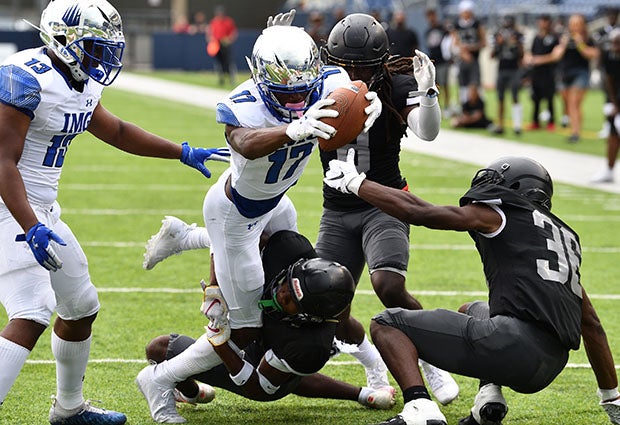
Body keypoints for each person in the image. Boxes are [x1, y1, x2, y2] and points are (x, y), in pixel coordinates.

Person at [135, 23, 382, 423]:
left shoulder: (330, 79)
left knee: (305, 287)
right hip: (236, 214)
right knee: (244, 332)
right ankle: (160, 379)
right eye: (288, 94)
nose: (300, 100)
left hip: (277, 203)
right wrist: (290, 129)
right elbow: (243, 141)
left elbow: (356, 91)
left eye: (305, 91)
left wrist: (372, 105)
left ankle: (184, 237)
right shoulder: (244, 102)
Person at [0, 0, 228, 424]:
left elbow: (116, 130)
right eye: (94, 45)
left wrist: (181, 151)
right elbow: (2, 163)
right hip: (8, 207)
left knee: (80, 306)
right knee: (31, 311)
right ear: (63, 40)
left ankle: (69, 409)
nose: (104, 56)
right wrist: (30, 225)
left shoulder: (79, 80)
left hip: (40, 210)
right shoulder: (24, 77)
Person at [323, 152, 620, 425]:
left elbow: (420, 212)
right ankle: (488, 399)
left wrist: (357, 184)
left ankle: (420, 407)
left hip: (514, 344)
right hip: (550, 364)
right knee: (472, 310)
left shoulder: (502, 214)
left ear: (515, 189)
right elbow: (591, 325)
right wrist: (611, 396)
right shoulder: (562, 238)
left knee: (387, 323)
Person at [316, 12, 459, 405]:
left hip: (384, 202)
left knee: (388, 285)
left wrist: (429, 95)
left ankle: (433, 362)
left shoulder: (396, 85)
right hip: (337, 207)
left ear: (380, 61)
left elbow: (427, 132)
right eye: (346, 64)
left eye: (361, 65)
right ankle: (373, 366)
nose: (353, 72)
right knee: (326, 300)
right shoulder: (321, 84)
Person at [143, 230, 395, 417]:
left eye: (290, 300)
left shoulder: (309, 344)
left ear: (308, 316)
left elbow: (258, 387)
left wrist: (218, 340)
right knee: (158, 349)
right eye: (287, 284)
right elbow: (235, 235)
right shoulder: (289, 250)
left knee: (284, 374)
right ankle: (191, 393)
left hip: (266, 372)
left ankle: (359, 393)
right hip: (267, 345)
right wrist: (214, 286)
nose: (280, 293)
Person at [531, 14, 599, 143]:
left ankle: (575, 133)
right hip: (564, 73)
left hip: (580, 72)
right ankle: (571, 125)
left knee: (574, 103)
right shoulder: (563, 37)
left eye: (577, 24)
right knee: (567, 103)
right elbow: (556, 56)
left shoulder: (588, 38)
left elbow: (593, 54)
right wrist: (563, 44)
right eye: (572, 24)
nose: (574, 27)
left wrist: (580, 44)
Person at [591, 28, 620, 184]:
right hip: (618, 100)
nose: (615, 47)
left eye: (618, 44)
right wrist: (614, 103)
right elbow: (610, 80)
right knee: (613, 135)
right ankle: (608, 170)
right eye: (613, 43)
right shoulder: (610, 56)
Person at [490, 16, 524, 135]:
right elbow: (492, 55)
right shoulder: (497, 35)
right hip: (502, 68)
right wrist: (498, 44)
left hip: (514, 69)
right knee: (500, 98)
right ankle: (500, 125)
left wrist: (515, 43)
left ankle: (517, 126)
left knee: (515, 96)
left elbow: (522, 54)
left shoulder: (518, 35)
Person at [525, 14, 560, 131]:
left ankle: (551, 121)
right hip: (536, 73)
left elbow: (555, 56)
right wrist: (530, 59)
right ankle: (535, 121)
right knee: (536, 98)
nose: (543, 24)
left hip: (549, 72)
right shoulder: (537, 37)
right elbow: (531, 53)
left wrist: (540, 60)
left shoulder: (554, 38)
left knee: (550, 98)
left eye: (545, 21)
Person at [452, 0, 486, 103]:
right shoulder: (457, 25)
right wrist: (463, 53)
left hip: (474, 59)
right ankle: (464, 109)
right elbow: (454, 43)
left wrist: (470, 48)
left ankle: (479, 109)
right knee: (463, 86)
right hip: (462, 59)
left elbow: (483, 42)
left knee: (476, 85)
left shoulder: (476, 24)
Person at [424, 8, 452, 113]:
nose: (431, 18)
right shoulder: (428, 31)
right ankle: (438, 105)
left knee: (445, 84)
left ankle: (447, 106)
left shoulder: (442, 29)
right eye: (429, 16)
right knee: (435, 85)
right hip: (434, 61)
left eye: (433, 16)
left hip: (443, 60)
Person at [207, 5, 238, 86]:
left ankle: (231, 79)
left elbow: (233, 32)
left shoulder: (228, 21)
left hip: (225, 44)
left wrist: (229, 39)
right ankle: (221, 79)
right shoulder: (214, 21)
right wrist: (211, 40)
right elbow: (210, 32)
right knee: (218, 63)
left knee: (228, 62)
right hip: (216, 44)